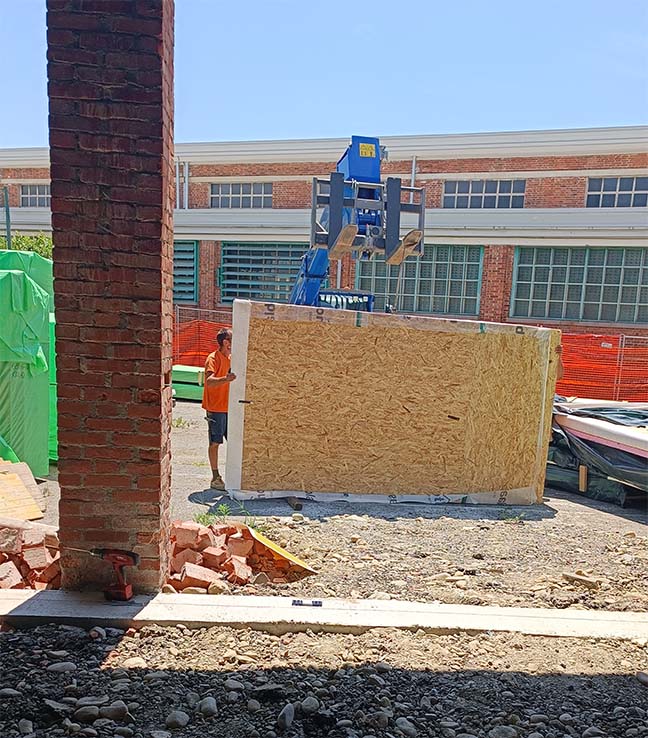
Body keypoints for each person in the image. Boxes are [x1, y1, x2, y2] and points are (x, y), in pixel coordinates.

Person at [202, 327, 236, 489]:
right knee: (215, 442)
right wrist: (226, 379)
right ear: (226, 342)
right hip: (216, 408)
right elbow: (209, 381)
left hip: (232, 408)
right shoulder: (212, 359)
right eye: (232, 339)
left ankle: (236, 475)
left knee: (236, 442)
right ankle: (215, 477)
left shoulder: (233, 358)